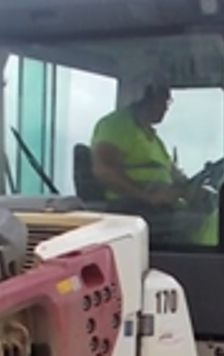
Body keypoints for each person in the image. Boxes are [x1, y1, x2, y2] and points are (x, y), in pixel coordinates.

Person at [90, 72, 217, 244]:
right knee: (210, 223)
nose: (166, 107)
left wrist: (191, 189)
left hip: (158, 210)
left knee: (218, 215)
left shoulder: (153, 139)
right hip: (134, 211)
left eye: (168, 102)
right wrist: (146, 195)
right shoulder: (117, 125)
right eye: (163, 100)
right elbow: (104, 169)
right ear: (144, 97)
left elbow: (175, 176)